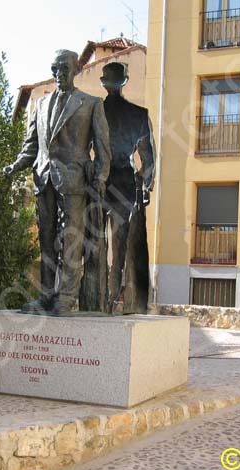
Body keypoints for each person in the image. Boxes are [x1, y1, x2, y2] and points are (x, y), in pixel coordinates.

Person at [3, 50, 111, 315]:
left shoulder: (91, 103)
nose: (58, 74)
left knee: (70, 240)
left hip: (74, 181)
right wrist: (14, 166)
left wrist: (100, 178)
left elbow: (103, 149)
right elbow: (31, 147)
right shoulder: (40, 105)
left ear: (76, 69)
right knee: (47, 241)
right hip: (44, 179)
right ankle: (46, 295)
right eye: (54, 69)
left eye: (63, 68)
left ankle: (66, 297)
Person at [100, 62, 156, 314]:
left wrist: (144, 187)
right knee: (117, 248)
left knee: (99, 246)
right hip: (119, 182)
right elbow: (149, 161)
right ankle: (110, 298)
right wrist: (145, 186)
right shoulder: (138, 114)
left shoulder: (94, 111)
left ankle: (106, 299)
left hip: (101, 182)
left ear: (103, 82)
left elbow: (149, 161)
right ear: (125, 81)